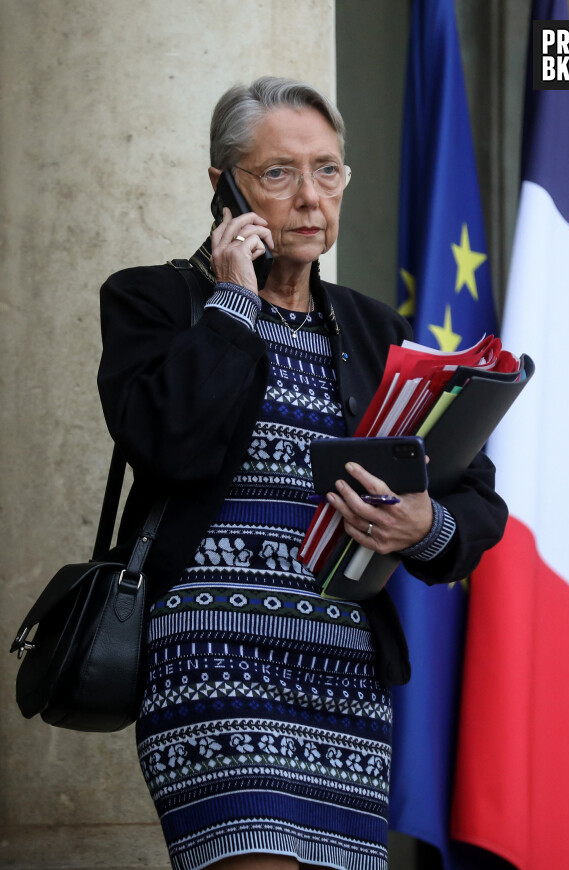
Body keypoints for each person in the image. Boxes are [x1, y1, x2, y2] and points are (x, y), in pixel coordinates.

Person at [98, 76, 508, 870]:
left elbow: (473, 493)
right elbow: (169, 441)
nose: (310, 199)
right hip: (209, 660)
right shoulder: (153, 302)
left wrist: (426, 526)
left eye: (328, 170)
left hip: (342, 674)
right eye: (278, 174)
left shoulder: (374, 329)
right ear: (223, 187)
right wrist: (234, 304)